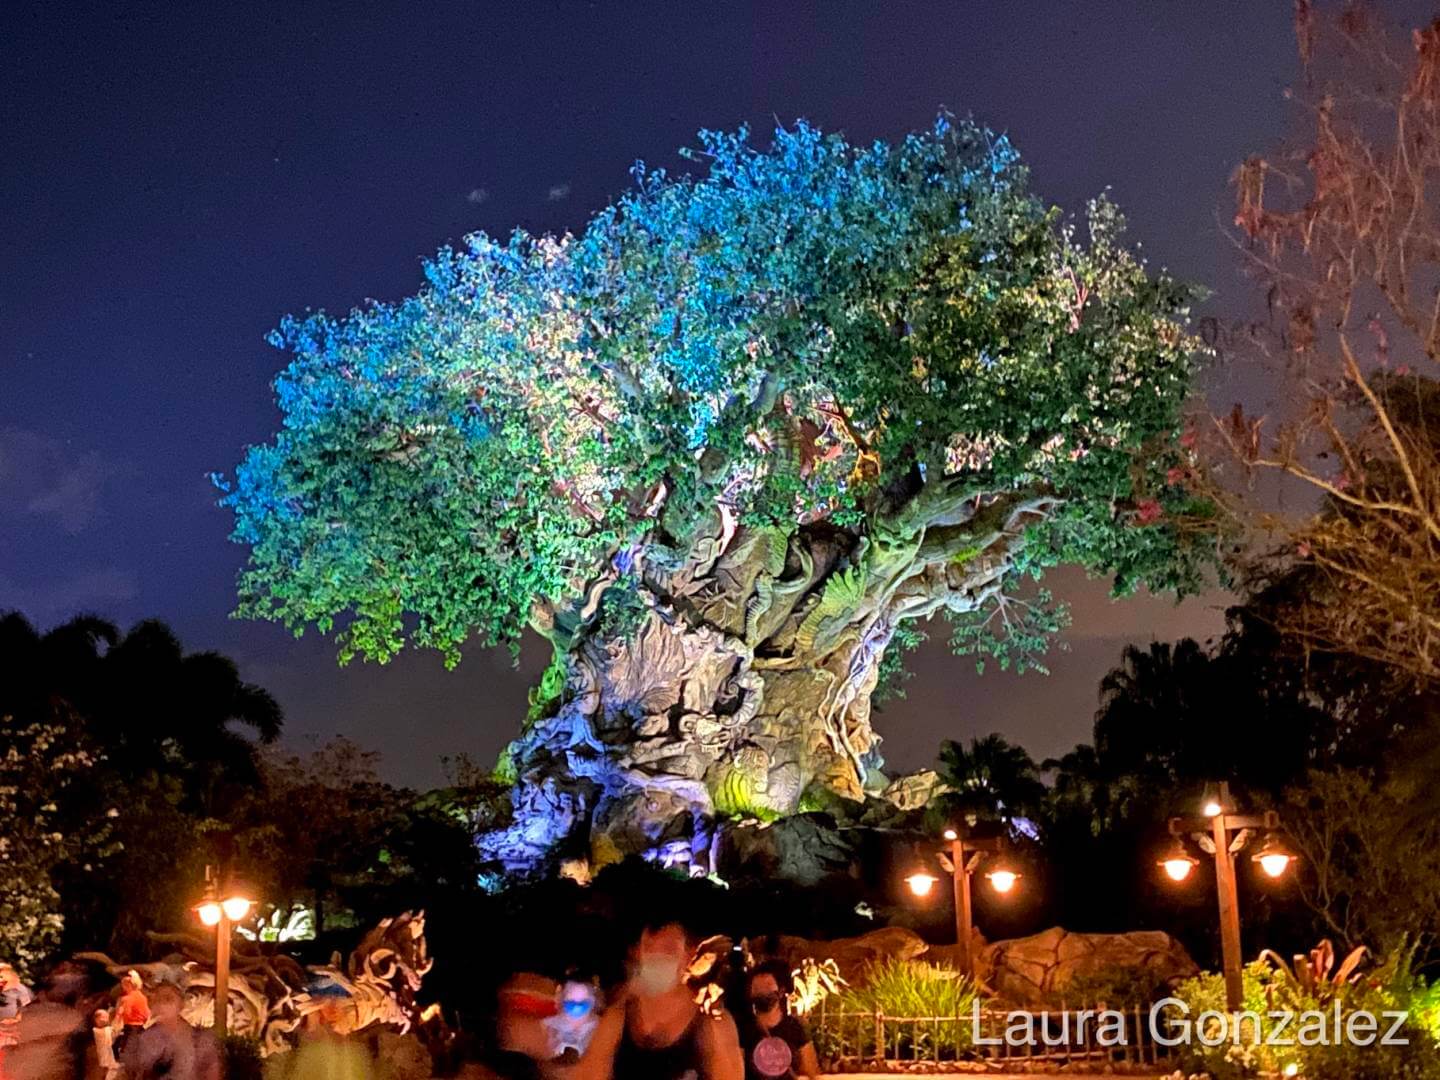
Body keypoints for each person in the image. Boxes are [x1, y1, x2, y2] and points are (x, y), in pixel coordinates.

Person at [580, 923, 743, 1080]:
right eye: (650, 948)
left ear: (689, 957)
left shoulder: (710, 1023)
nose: (657, 958)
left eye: (668, 949)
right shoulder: (619, 1017)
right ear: (638, 953)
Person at [119, 983, 219, 1080]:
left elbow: (212, 1073)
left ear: (181, 1004)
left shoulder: (202, 1040)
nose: (162, 1004)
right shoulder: (142, 1041)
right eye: (157, 1000)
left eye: (168, 999)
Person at [737, 962, 818, 1080]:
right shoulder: (743, 1030)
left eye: (768, 986)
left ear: (781, 991)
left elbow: (811, 1071)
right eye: (757, 987)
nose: (762, 991)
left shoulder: (795, 1028)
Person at [112, 973, 149, 1060]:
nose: (123, 988)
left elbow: (125, 1012)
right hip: (140, 1026)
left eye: (124, 985)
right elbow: (146, 1013)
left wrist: (116, 1021)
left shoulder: (127, 998)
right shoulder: (142, 997)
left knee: (120, 1047)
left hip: (130, 1026)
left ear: (129, 985)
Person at [91, 1010, 119, 1080]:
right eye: (102, 1017)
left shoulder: (109, 1029)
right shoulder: (94, 1031)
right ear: (96, 1019)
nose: (105, 1019)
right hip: (98, 1060)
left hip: (108, 1060)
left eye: (106, 1017)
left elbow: (113, 1039)